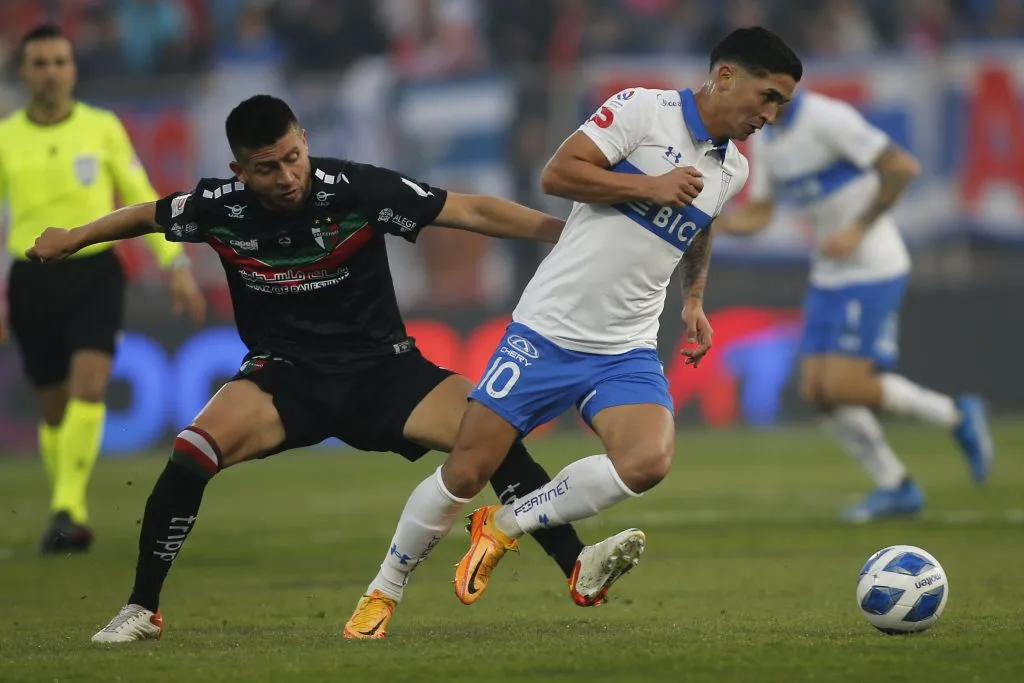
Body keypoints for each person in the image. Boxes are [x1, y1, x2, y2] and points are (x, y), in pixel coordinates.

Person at [28, 94, 642, 643]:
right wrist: (74, 237)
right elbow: (147, 215)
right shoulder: (221, 206)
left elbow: (471, 211)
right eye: (267, 168)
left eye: (294, 157)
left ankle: (577, 564)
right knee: (191, 454)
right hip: (284, 376)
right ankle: (142, 610)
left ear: (305, 143)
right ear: (241, 171)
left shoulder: (353, 189)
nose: (288, 175)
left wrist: (568, 237)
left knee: (491, 435)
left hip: (384, 371)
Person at [343, 26, 802, 620]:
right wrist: (650, 186)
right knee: (467, 468)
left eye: (780, 105)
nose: (770, 114)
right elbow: (558, 175)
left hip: (626, 345)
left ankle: (506, 522)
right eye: (767, 96)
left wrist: (695, 297)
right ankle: (385, 589)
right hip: (548, 331)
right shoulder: (643, 109)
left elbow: (701, 223)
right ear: (724, 76)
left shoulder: (732, 169)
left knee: (647, 461)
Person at [713, 89, 994, 522]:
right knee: (816, 391)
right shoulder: (766, 137)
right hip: (828, 274)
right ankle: (897, 486)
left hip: (873, 266)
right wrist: (715, 221)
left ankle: (956, 415)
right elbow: (761, 214)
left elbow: (901, 167)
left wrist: (857, 230)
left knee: (844, 385)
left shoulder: (828, 118)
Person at [0, 24, 206, 554]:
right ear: (23, 73)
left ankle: (69, 510)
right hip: (32, 278)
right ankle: (66, 502)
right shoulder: (6, 138)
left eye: (60, 62)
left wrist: (175, 263)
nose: (51, 73)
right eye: (40, 63)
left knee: (88, 387)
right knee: (52, 406)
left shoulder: (101, 127)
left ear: (73, 69)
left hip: (94, 272)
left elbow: (139, 194)